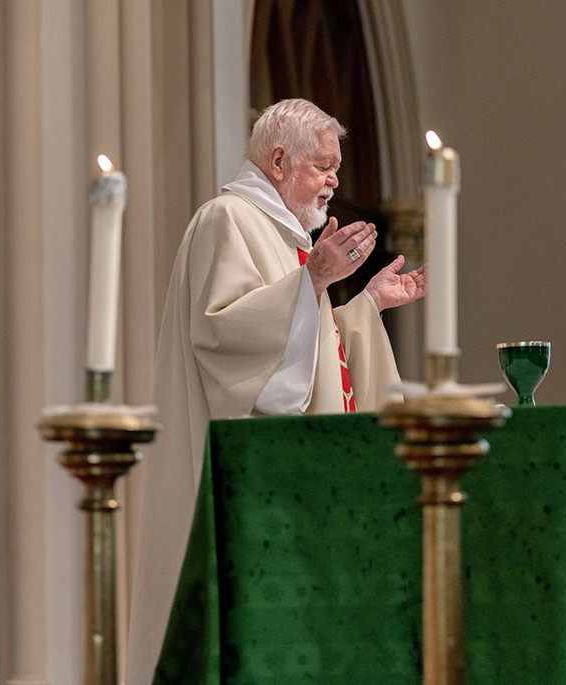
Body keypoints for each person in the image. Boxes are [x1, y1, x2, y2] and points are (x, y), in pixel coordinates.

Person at [125, 98, 426, 681]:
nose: (336, 181)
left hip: (296, 485)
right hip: (249, 483)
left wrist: (366, 305)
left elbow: (309, 352)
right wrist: (315, 277)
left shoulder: (285, 235)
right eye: (323, 166)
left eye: (337, 168)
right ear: (280, 160)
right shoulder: (227, 219)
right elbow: (223, 338)